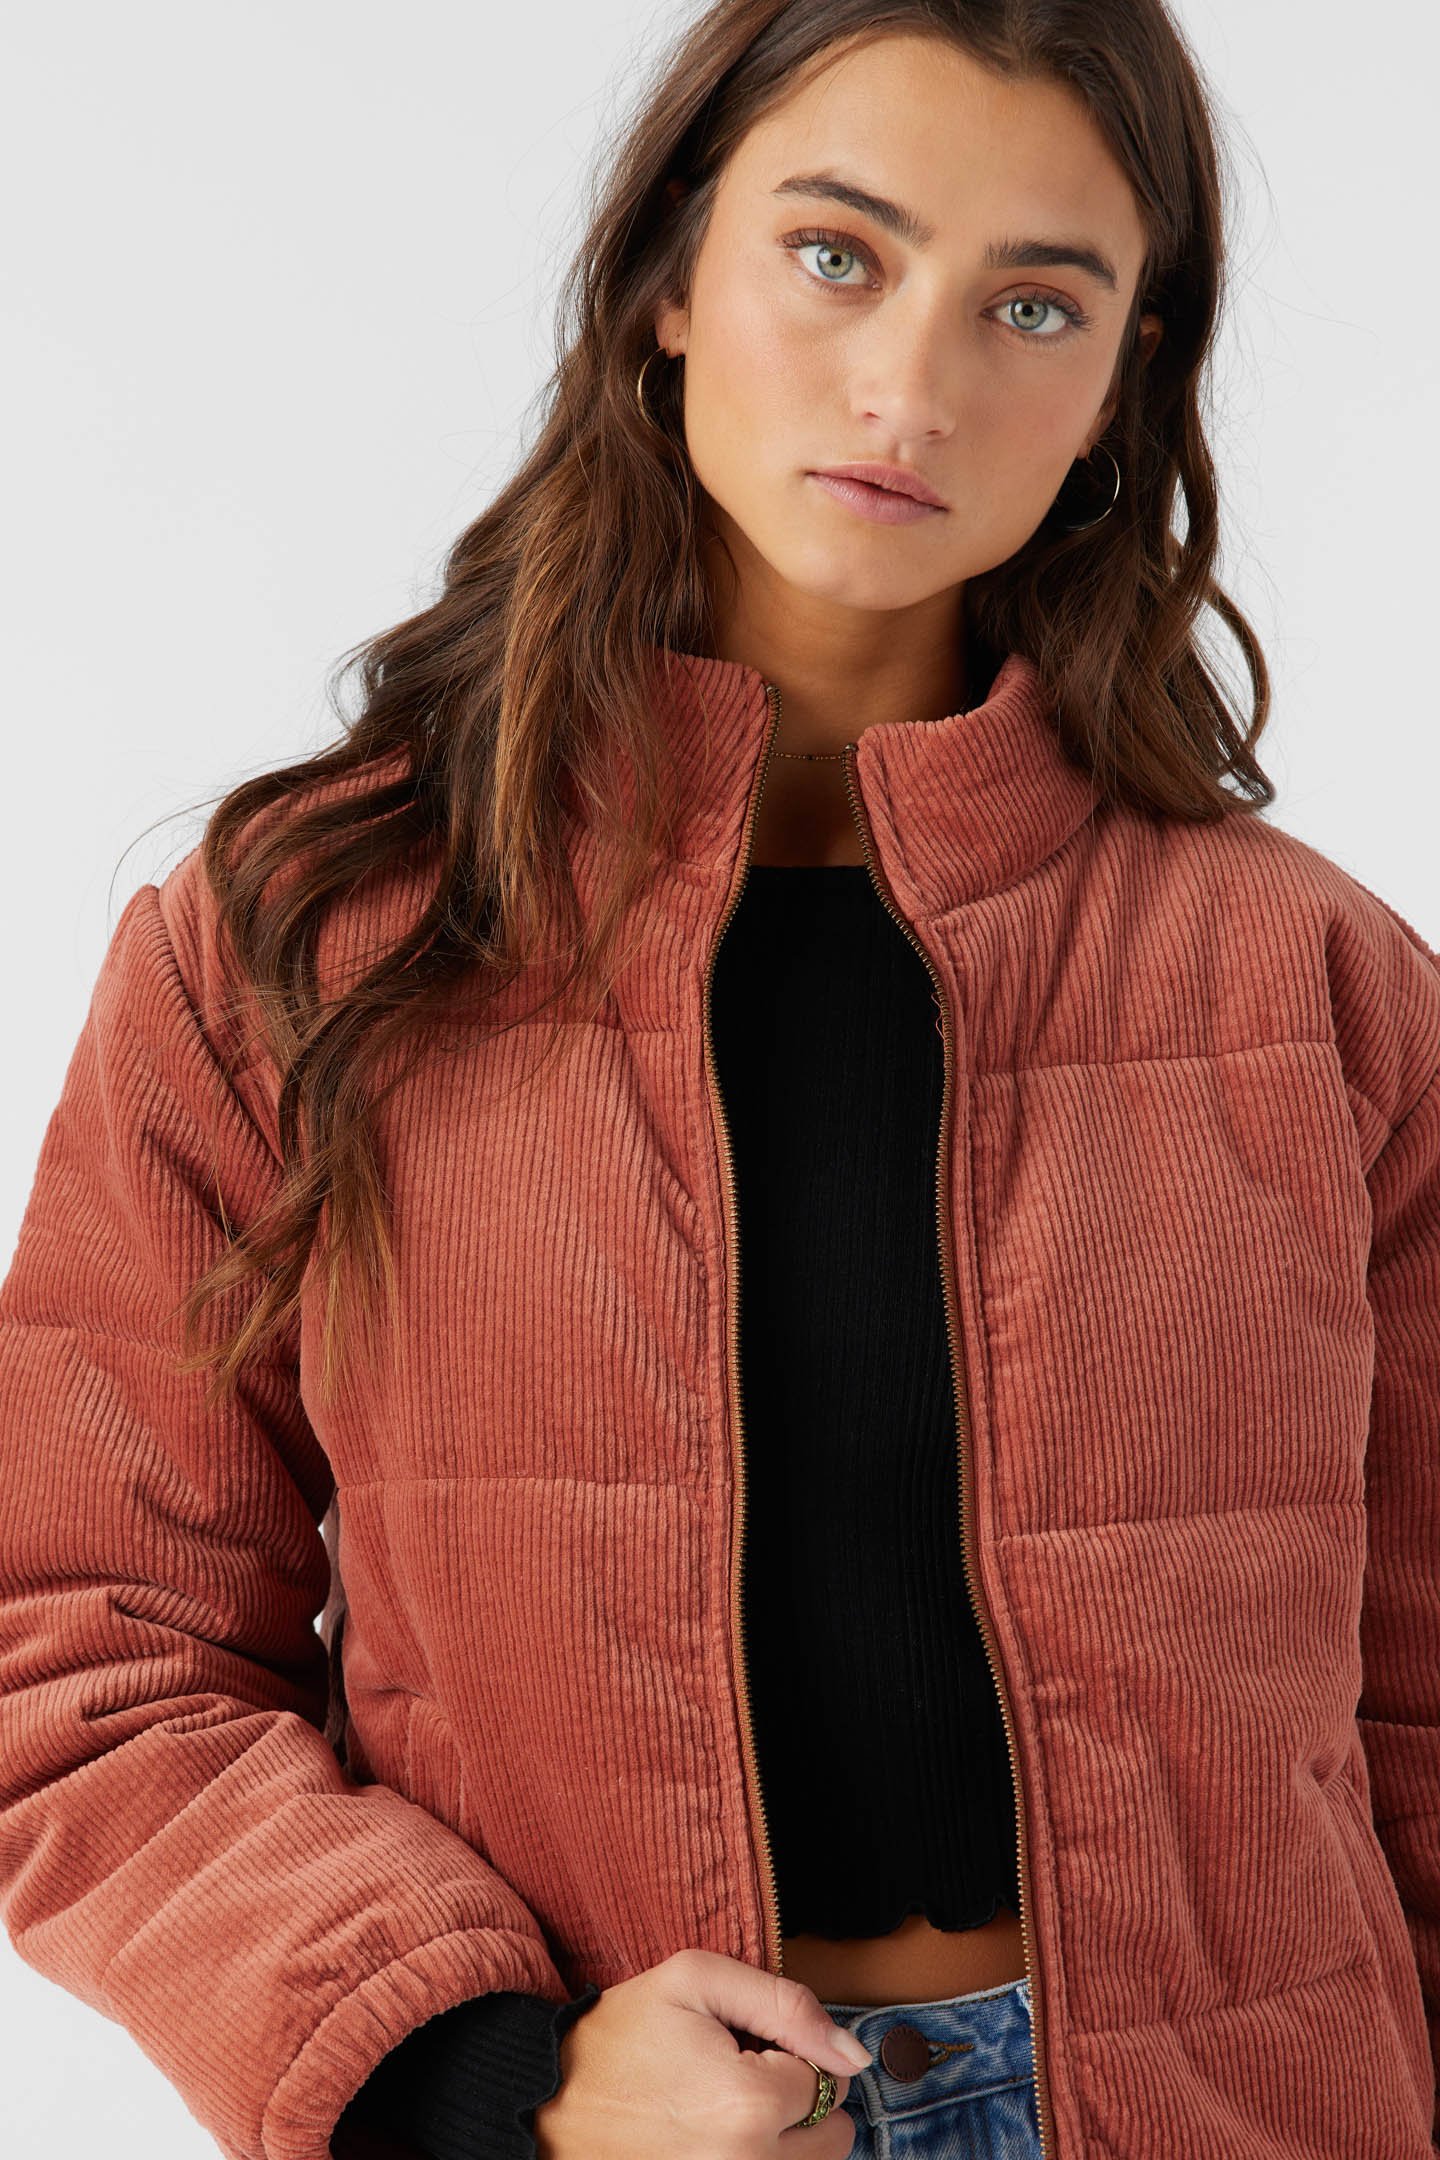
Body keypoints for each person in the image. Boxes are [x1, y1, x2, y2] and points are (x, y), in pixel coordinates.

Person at [1, 2, 1436, 2158]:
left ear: (1125, 381)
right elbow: (79, 1648)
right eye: (837, 254)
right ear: (673, 273)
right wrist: (496, 2079)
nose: (912, 387)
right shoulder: (298, 946)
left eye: (1034, 305)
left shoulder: (1315, 985)